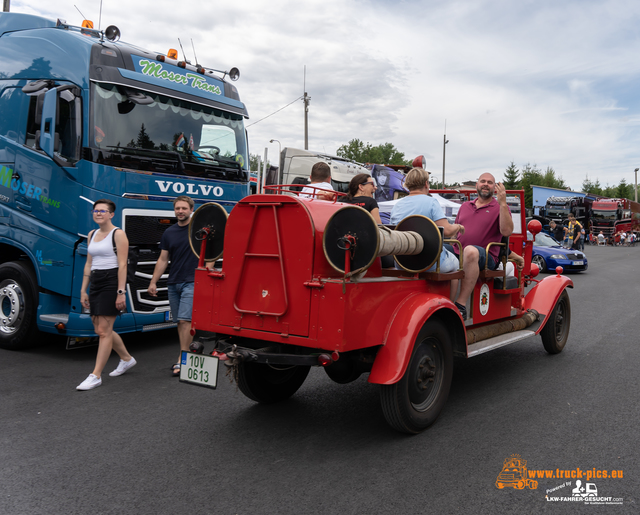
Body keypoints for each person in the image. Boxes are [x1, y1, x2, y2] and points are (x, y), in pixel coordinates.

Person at [77, 199, 136, 390]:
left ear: (111, 214)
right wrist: (83, 289)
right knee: (101, 329)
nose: (98, 213)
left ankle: (95, 375)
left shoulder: (118, 234)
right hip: (95, 280)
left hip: (111, 281)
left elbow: (123, 265)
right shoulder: (92, 234)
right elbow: (88, 263)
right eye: (95, 211)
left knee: (103, 331)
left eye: (103, 211)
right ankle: (126, 359)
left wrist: (121, 292)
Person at [149, 196, 199, 377]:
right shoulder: (169, 232)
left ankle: (182, 358)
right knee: (179, 321)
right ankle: (186, 352)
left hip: (192, 281)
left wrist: (207, 272)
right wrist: (153, 281)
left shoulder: (199, 230)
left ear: (191, 209)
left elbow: (212, 252)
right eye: (177, 208)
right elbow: (163, 259)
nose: (180, 211)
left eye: (184, 208)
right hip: (173, 282)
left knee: (186, 320)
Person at [453, 173, 513, 320]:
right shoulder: (465, 206)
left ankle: (460, 305)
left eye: (490, 182)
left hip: (486, 257)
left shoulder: (500, 207)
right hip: (458, 250)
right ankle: (442, 303)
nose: (486, 184)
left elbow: (506, 231)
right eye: (483, 181)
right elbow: (455, 230)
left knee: (470, 251)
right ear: (476, 185)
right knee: (438, 249)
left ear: (495, 188)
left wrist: (503, 203)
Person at [390, 168, 463, 289]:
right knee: (456, 265)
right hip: (430, 263)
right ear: (426, 183)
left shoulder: (397, 205)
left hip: (402, 262)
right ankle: (455, 305)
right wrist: (459, 226)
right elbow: (448, 231)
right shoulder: (431, 202)